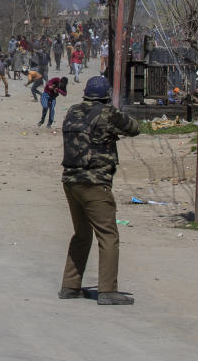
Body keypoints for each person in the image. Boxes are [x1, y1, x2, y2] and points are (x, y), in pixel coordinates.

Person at [59, 75, 140, 305]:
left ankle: (70, 285)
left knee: (82, 234)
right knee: (108, 235)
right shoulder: (108, 113)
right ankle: (107, 290)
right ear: (105, 96)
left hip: (70, 180)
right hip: (95, 182)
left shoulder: (73, 111)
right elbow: (134, 128)